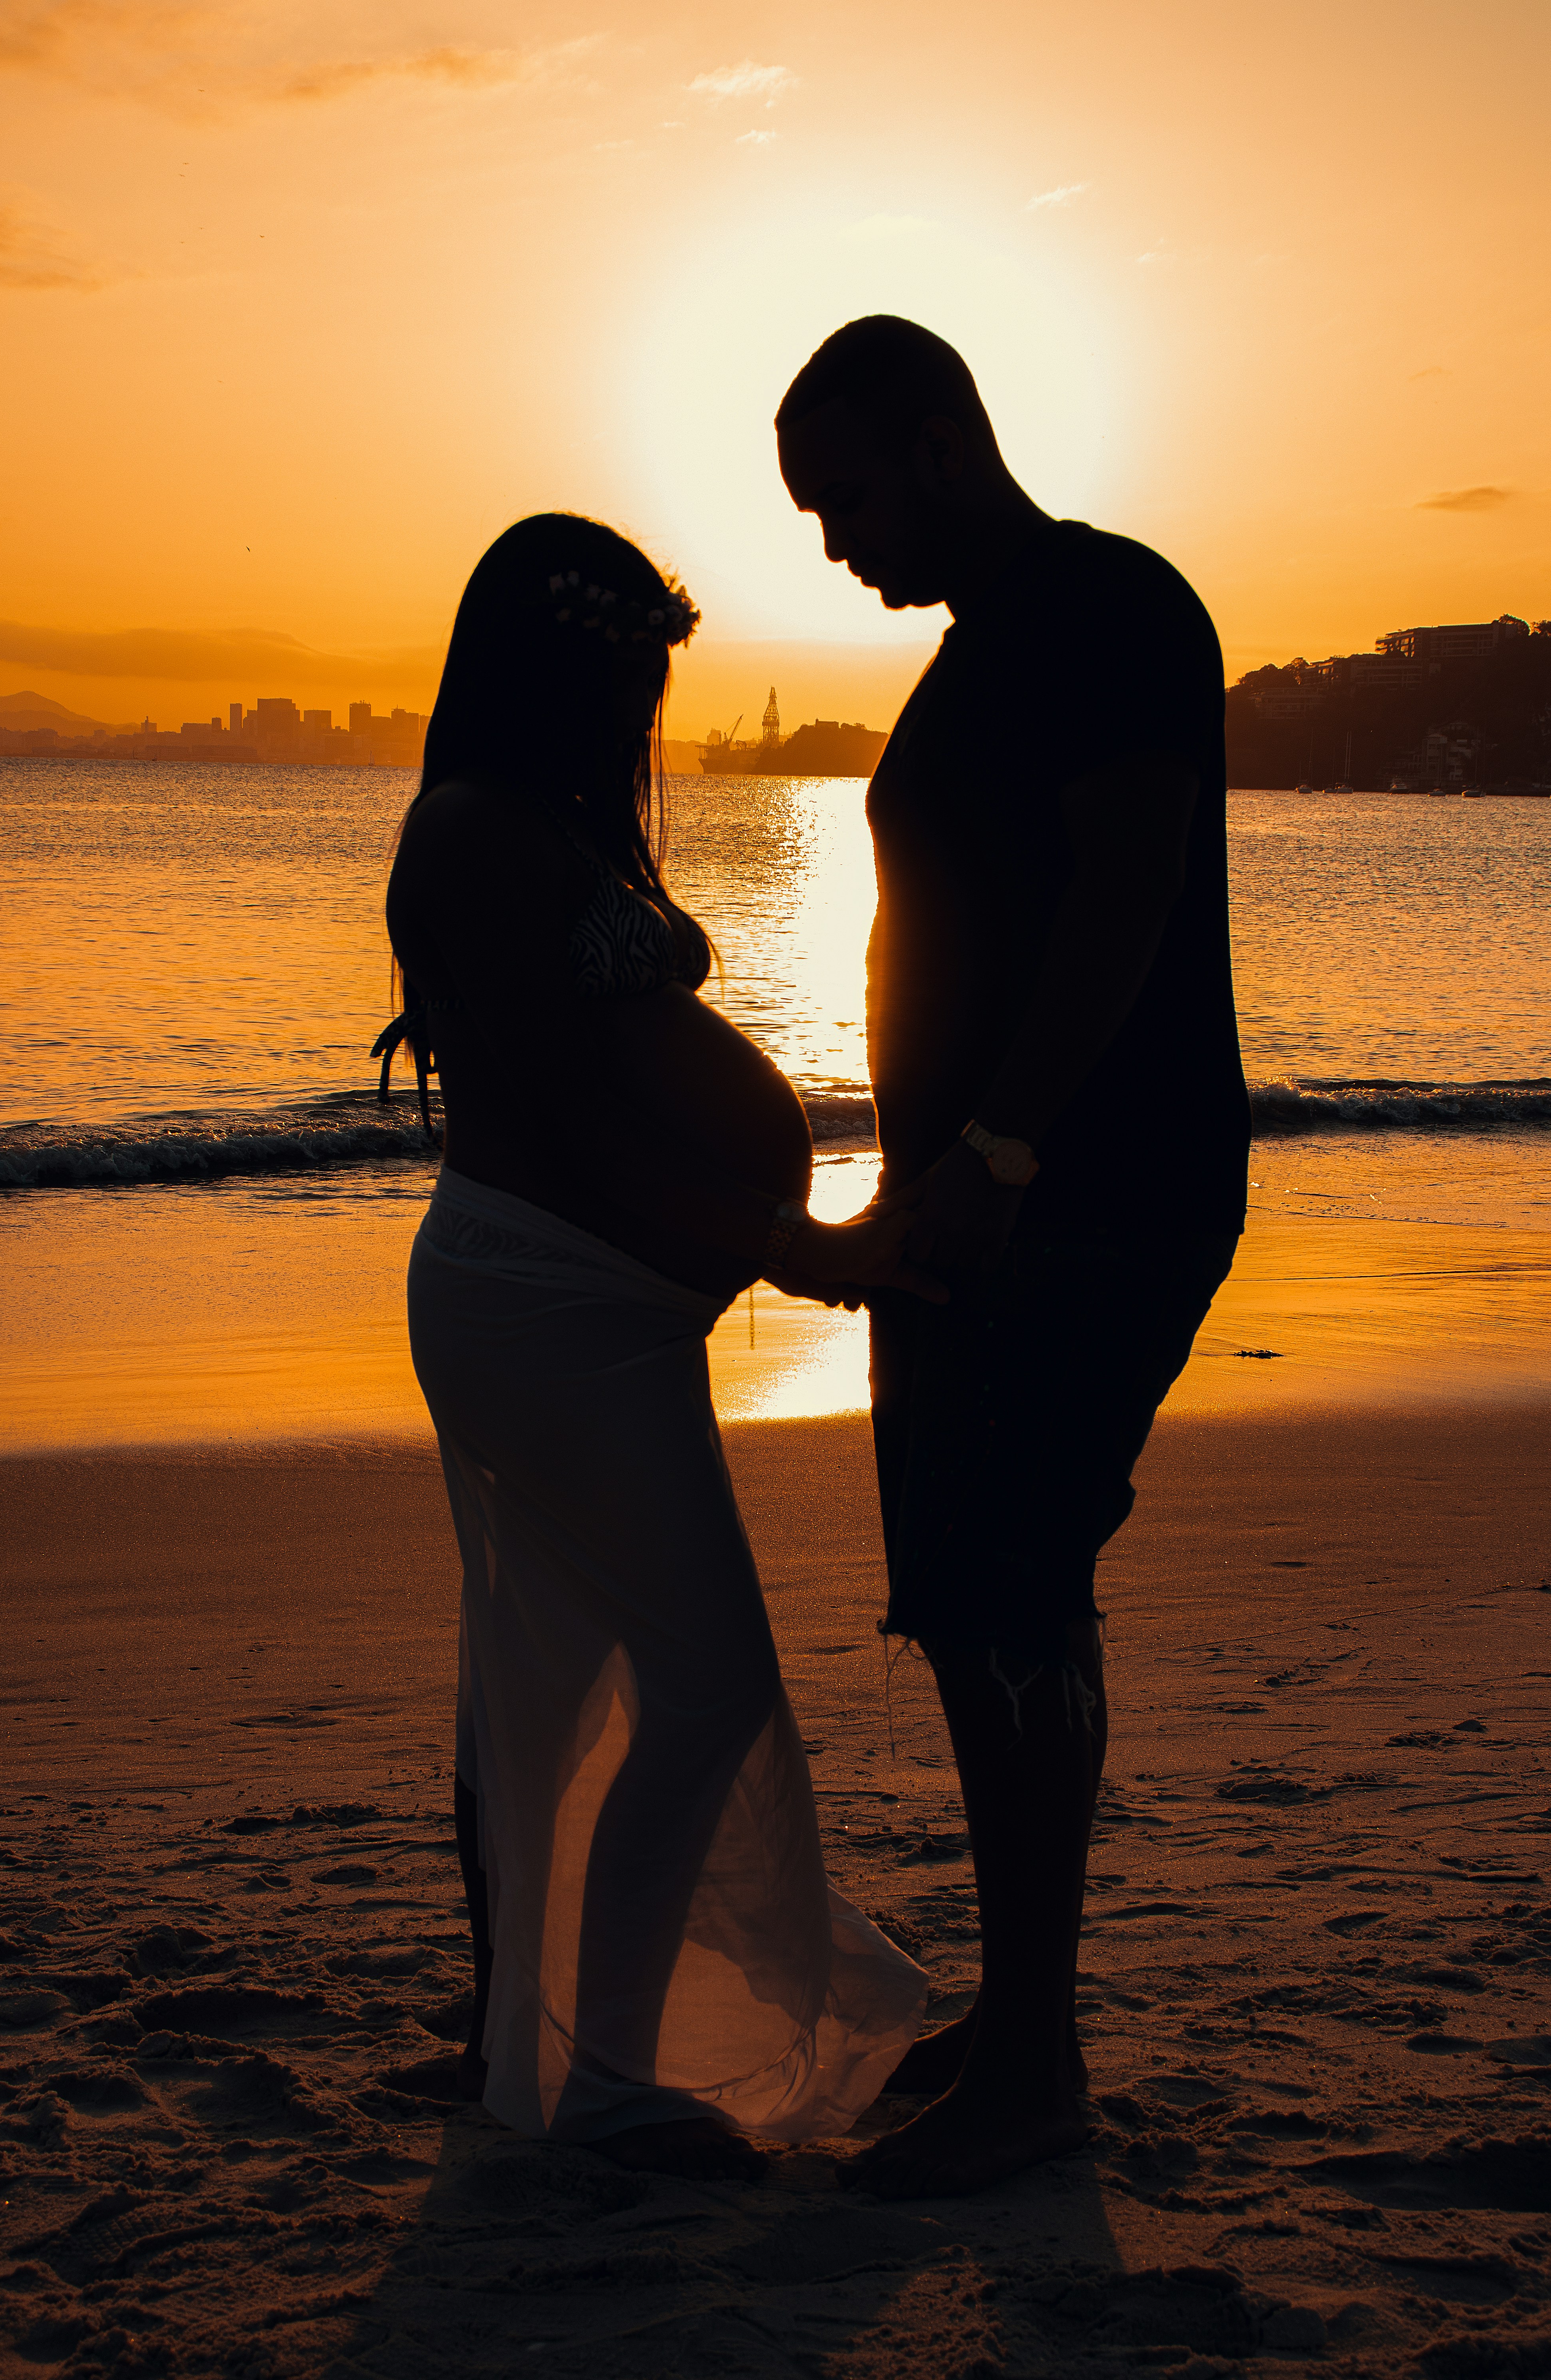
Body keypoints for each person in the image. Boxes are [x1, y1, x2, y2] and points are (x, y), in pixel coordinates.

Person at [384, 513, 936, 2181]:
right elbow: (566, 1129)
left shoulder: (551, 821)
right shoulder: (475, 833)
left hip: (588, 1310)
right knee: (698, 1688)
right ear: (547, 662)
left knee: (545, 1685)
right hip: (546, 1306)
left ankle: (535, 2042)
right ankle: (609, 2074)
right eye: (623, 672)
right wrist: (786, 1245)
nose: (644, 710)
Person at [774, 317, 1252, 2198]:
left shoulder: (1108, 608)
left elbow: (1127, 892)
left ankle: (1036, 2067)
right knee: (988, 1596)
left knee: (1011, 1583)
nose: (835, 544)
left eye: (847, 494)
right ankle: (1027, 2011)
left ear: (937, 432)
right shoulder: (981, 657)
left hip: (1082, 1190)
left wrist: (997, 1150)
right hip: (982, 1203)